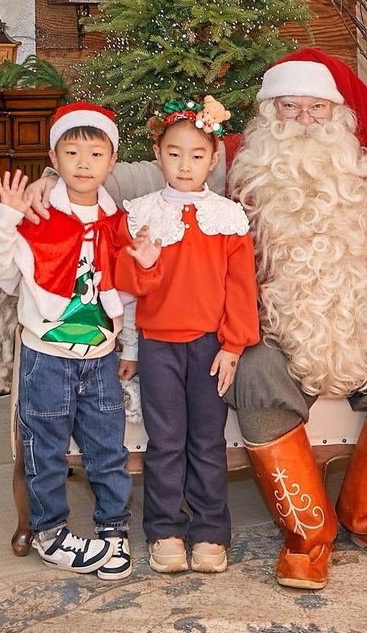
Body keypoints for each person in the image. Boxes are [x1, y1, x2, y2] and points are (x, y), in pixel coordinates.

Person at [27, 22, 367, 589]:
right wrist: (56, 180)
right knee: (258, 377)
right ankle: (308, 534)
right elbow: (142, 174)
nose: (305, 120)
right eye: (290, 106)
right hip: (274, 328)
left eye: (318, 108)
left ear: (339, 114)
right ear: (269, 111)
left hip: (362, 322)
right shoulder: (235, 158)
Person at [0, 101, 152, 580]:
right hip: (45, 357)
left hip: (100, 358)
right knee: (44, 446)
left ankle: (114, 529)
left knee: (107, 449)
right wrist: (7, 219)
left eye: (95, 154)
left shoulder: (120, 223)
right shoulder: (35, 215)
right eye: (71, 152)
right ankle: (51, 532)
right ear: (53, 158)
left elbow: (129, 294)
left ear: (111, 162)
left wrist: (130, 348)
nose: (82, 163)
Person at [114, 96, 259, 575]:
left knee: (206, 441)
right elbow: (126, 289)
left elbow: (241, 292)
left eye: (197, 155)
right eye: (174, 153)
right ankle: (165, 530)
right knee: (166, 441)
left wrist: (234, 347)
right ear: (158, 154)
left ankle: (212, 533)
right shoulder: (138, 214)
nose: (185, 164)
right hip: (158, 347)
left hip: (210, 349)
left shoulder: (229, 218)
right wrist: (147, 267)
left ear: (213, 159)